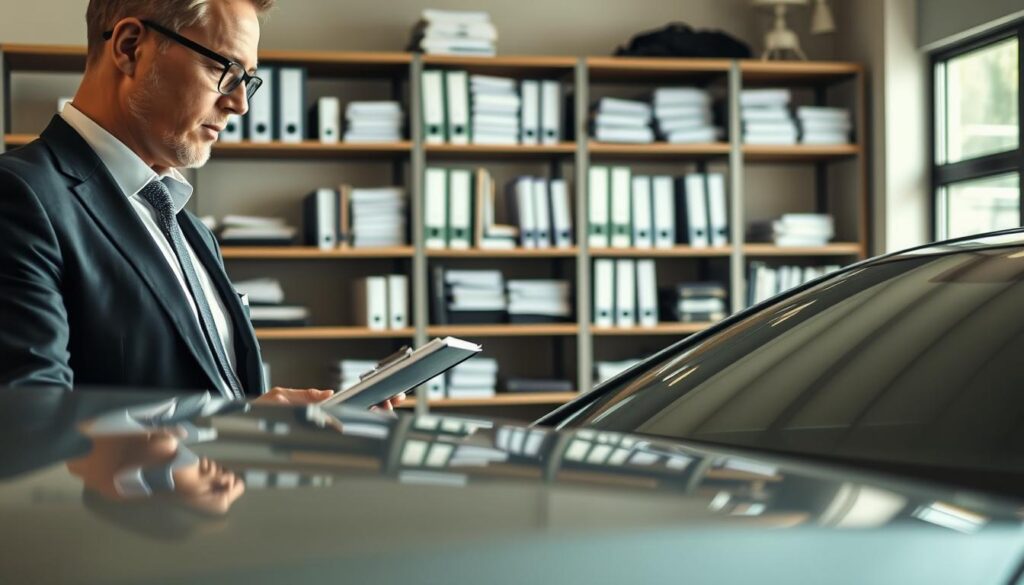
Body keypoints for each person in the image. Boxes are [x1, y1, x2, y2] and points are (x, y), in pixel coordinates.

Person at [0, 0, 401, 409]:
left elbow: (218, 399)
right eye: (223, 69)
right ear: (130, 48)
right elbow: (31, 418)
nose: (240, 103)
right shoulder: (18, 194)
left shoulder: (193, 231)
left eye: (248, 79)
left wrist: (284, 429)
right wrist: (223, 429)